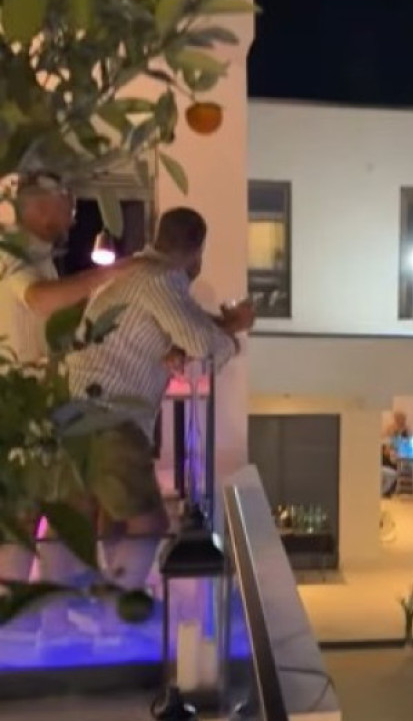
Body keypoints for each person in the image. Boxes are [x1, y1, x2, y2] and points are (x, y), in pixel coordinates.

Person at [64, 207, 255, 595]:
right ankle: (118, 602)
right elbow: (202, 343)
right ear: (197, 250)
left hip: (75, 413)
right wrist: (232, 339)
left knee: (105, 516)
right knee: (149, 523)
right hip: (111, 417)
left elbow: (184, 325)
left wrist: (207, 334)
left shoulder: (129, 273)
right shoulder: (162, 279)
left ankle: (86, 603)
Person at [0, 171, 135, 596]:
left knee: (68, 504)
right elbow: (40, 300)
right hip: (20, 417)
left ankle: (51, 608)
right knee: (35, 513)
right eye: (69, 206)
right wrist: (114, 274)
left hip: (38, 413)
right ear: (40, 206)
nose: (74, 219)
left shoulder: (36, 257)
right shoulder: (10, 255)